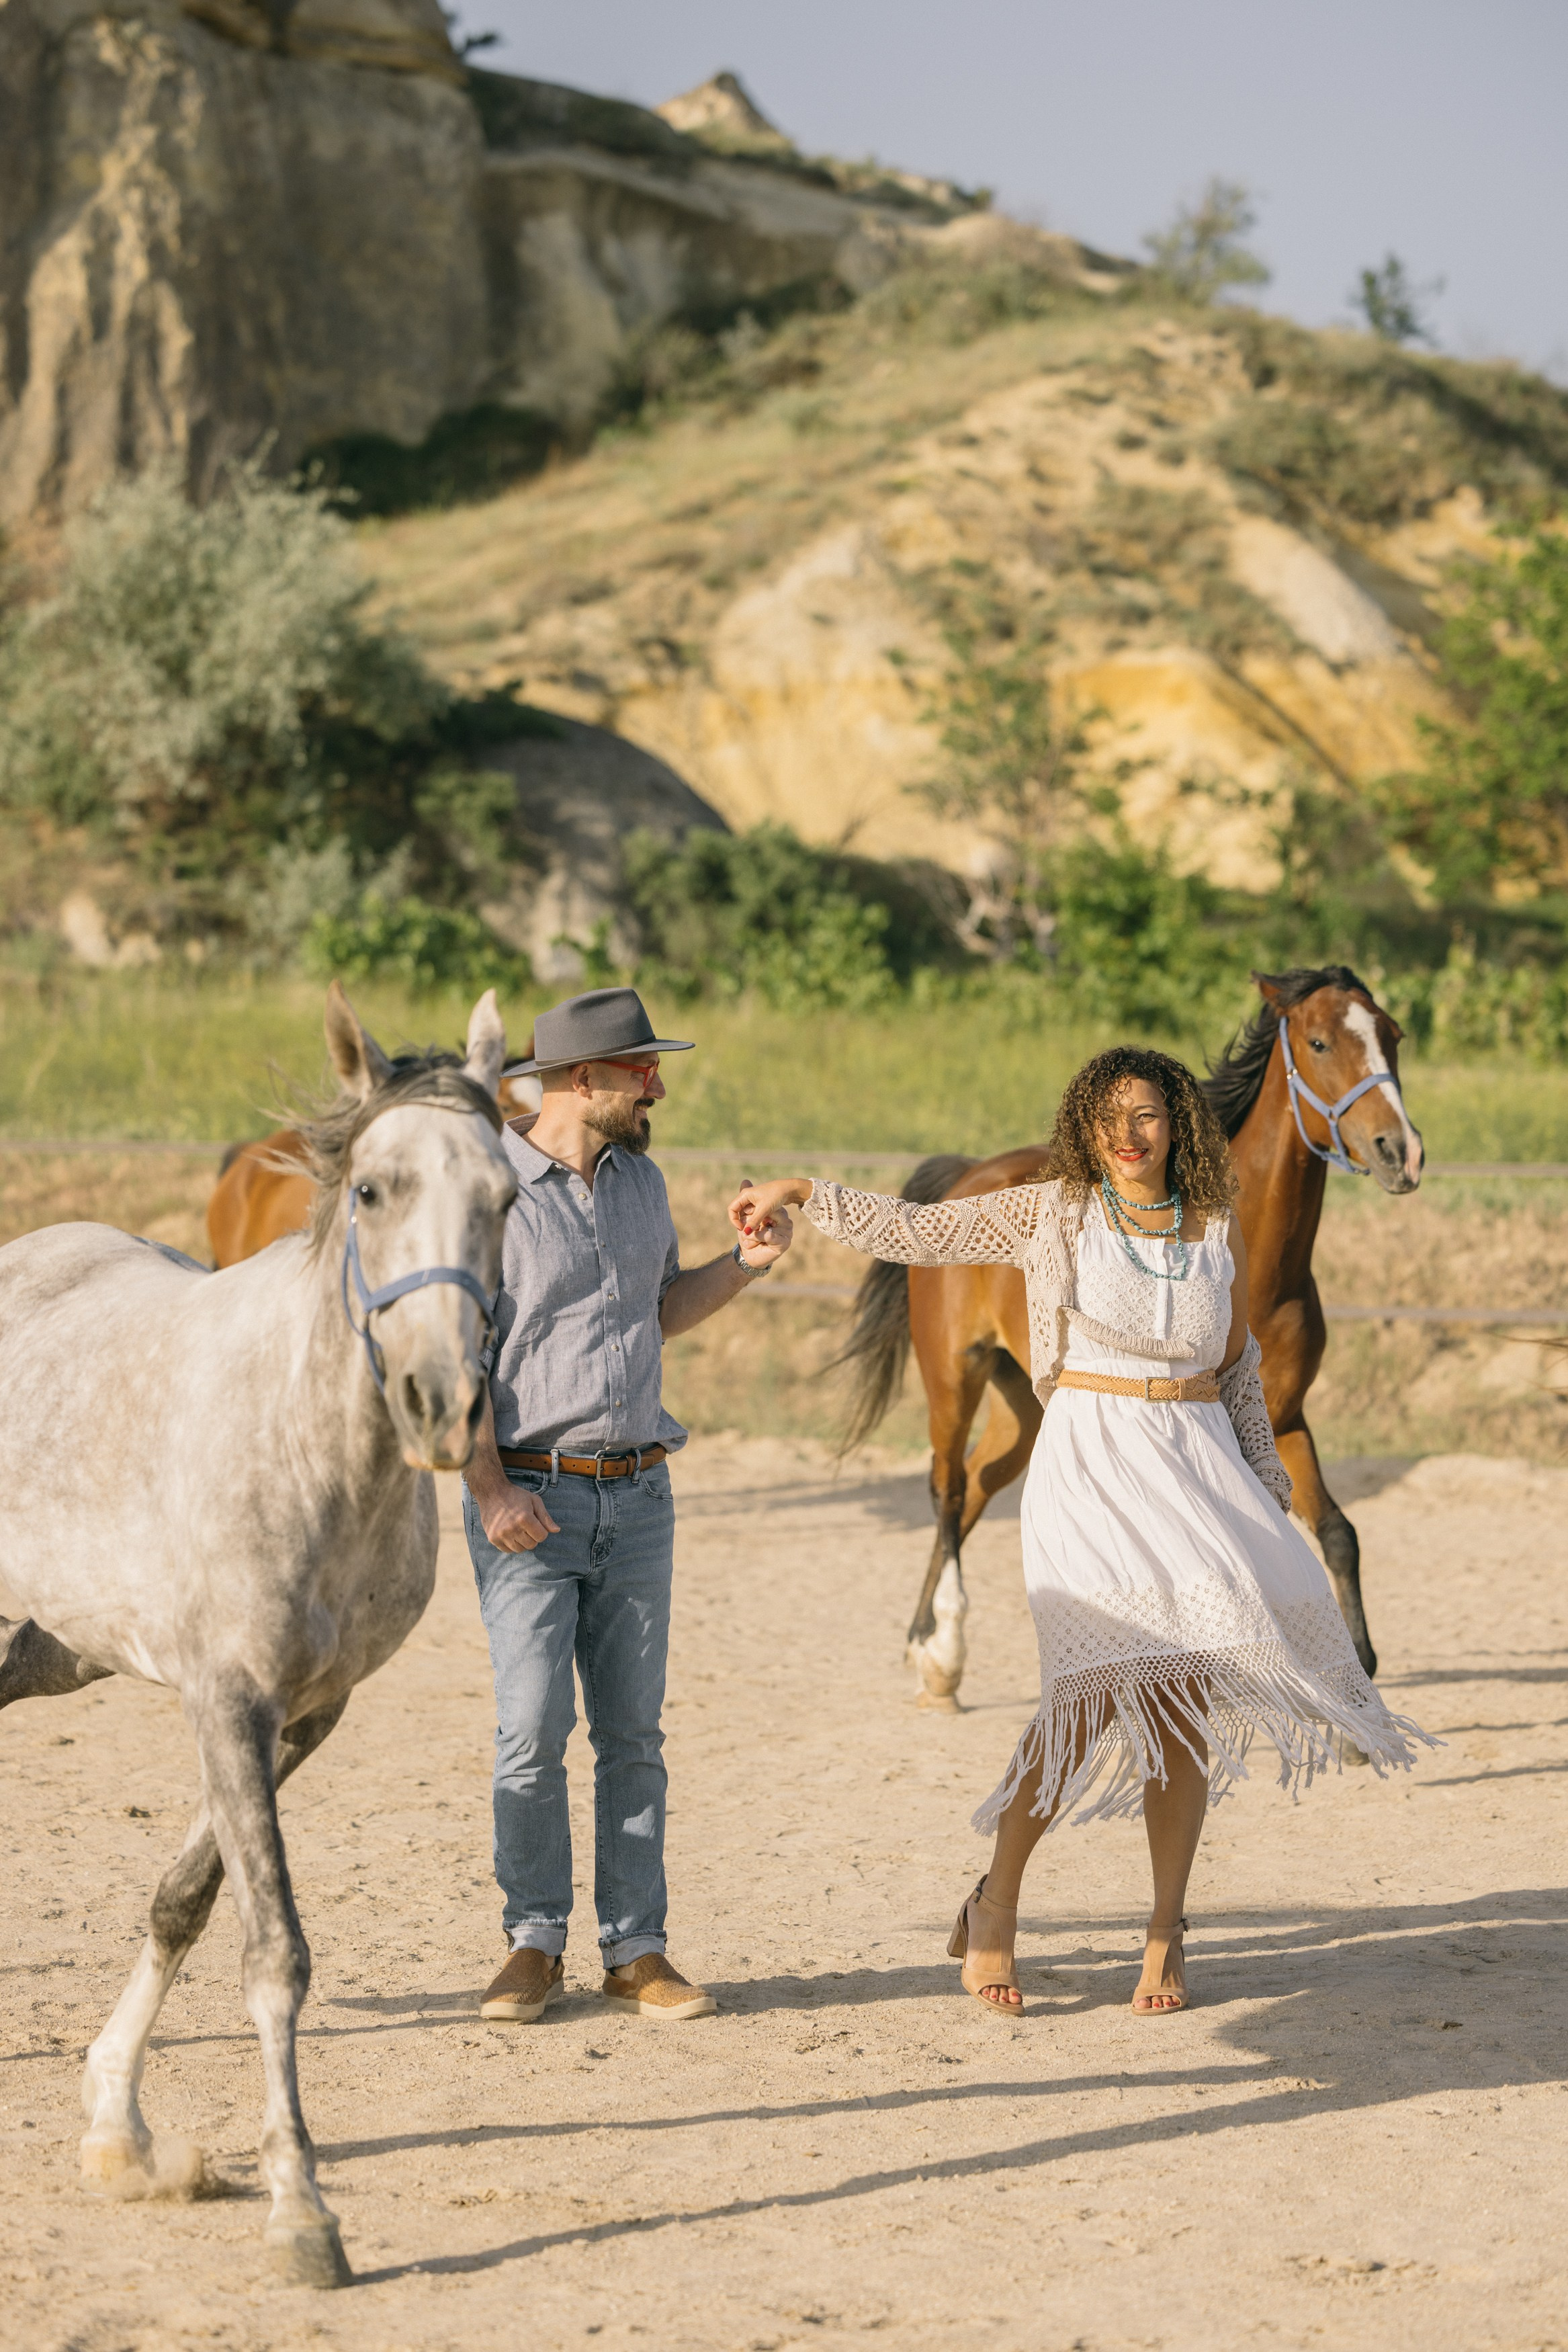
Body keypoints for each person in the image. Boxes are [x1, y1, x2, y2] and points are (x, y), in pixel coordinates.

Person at [731, 1044, 1432, 2016]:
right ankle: (998, 1905)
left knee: (1181, 1702)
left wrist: (1263, 1483)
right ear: (1083, 1128)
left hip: (1190, 1463)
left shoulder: (1210, 1225)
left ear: (1175, 1125)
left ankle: (1163, 1931)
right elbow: (920, 1230)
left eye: (1146, 1116)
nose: (1128, 1135)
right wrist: (802, 1189)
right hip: (1090, 1460)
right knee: (1088, 1695)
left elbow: (1233, 1370)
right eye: (1110, 1118)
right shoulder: (1052, 1210)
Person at [465, 986, 793, 2023]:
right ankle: (531, 1942)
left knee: (632, 1739)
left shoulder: (641, 1182)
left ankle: (636, 1950)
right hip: (530, 1500)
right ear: (579, 1080)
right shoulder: (487, 1193)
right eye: (639, 1070)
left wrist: (741, 1267)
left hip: (639, 1497)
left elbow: (659, 1314)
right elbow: (454, 1354)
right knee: (529, 1735)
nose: (656, 1085)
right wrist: (486, 1487)